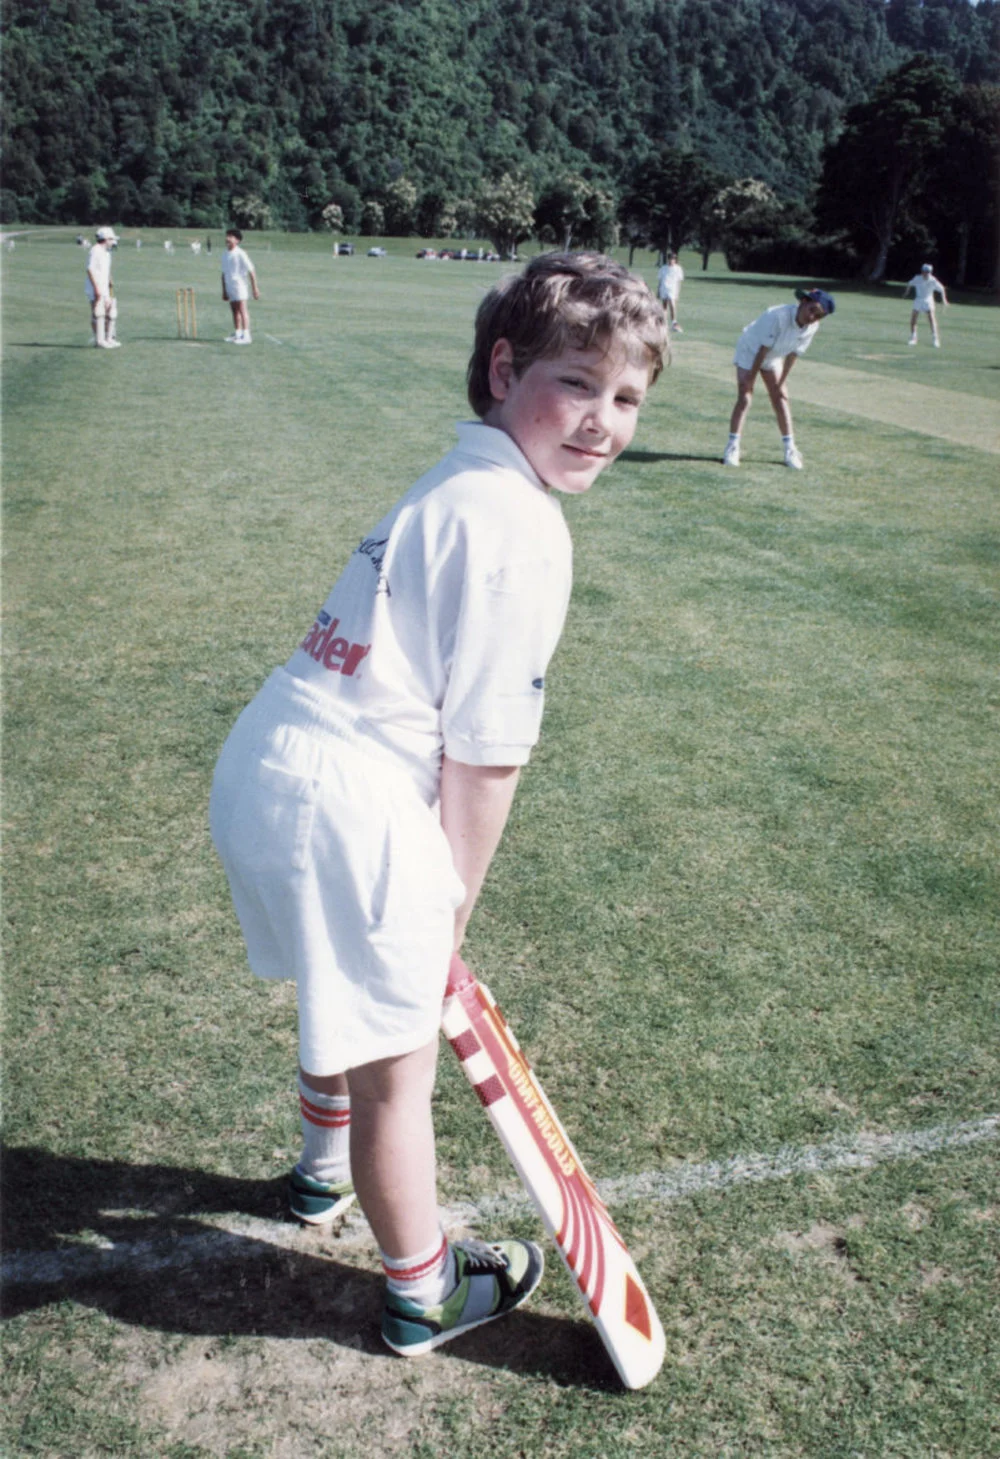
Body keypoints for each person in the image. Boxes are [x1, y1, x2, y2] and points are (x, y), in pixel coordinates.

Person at [209, 253, 667, 1358]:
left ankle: (317, 1178)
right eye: (576, 383)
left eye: (627, 399)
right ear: (503, 369)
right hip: (351, 804)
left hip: (269, 765)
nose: (603, 421)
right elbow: (485, 757)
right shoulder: (520, 526)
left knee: (340, 984)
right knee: (396, 1071)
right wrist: (447, 910)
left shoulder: (457, 480)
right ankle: (424, 1289)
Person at [722, 287, 835, 469]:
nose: (813, 317)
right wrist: (750, 379)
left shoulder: (812, 327)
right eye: (812, 310)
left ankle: (790, 449)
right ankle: (732, 447)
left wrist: (781, 384)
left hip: (775, 356)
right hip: (751, 350)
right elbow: (762, 350)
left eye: (819, 316)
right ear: (804, 302)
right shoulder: (777, 316)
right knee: (745, 396)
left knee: (781, 398)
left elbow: (793, 355)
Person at [221, 227, 260, 344]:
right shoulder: (224, 254)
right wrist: (224, 290)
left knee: (242, 309)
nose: (227, 238)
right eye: (227, 236)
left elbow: (251, 271)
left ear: (237, 240)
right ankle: (238, 333)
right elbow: (223, 273)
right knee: (234, 310)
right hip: (230, 285)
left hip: (240, 285)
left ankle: (246, 335)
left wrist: (255, 288)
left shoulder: (241, 253)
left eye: (231, 237)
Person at [85, 226, 121, 349]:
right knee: (99, 313)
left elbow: (106, 269)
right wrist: (96, 289)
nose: (113, 242)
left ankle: (109, 338)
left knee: (111, 312)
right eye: (111, 239)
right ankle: (99, 341)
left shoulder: (107, 253)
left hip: (105, 287)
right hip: (96, 288)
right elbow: (90, 269)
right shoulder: (95, 250)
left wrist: (110, 278)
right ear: (105, 239)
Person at [904, 263, 948, 348]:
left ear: (930, 272)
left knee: (931, 318)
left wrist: (944, 300)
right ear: (922, 271)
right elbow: (909, 284)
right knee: (913, 318)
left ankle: (935, 339)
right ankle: (913, 338)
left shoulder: (933, 280)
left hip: (928, 300)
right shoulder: (917, 278)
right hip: (918, 299)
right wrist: (907, 292)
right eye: (924, 271)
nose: (926, 273)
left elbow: (942, 289)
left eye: (928, 272)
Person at [656, 251, 684, 333]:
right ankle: (664, 324)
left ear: (675, 260)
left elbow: (679, 282)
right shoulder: (663, 268)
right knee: (664, 306)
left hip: (672, 289)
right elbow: (660, 280)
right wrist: (658, 291)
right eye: (670, 258)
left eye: (673, 259)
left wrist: (678, 292)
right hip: (664, 288)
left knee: (672, 304)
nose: (671, 260)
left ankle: (674, 323)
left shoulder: (678, 269)